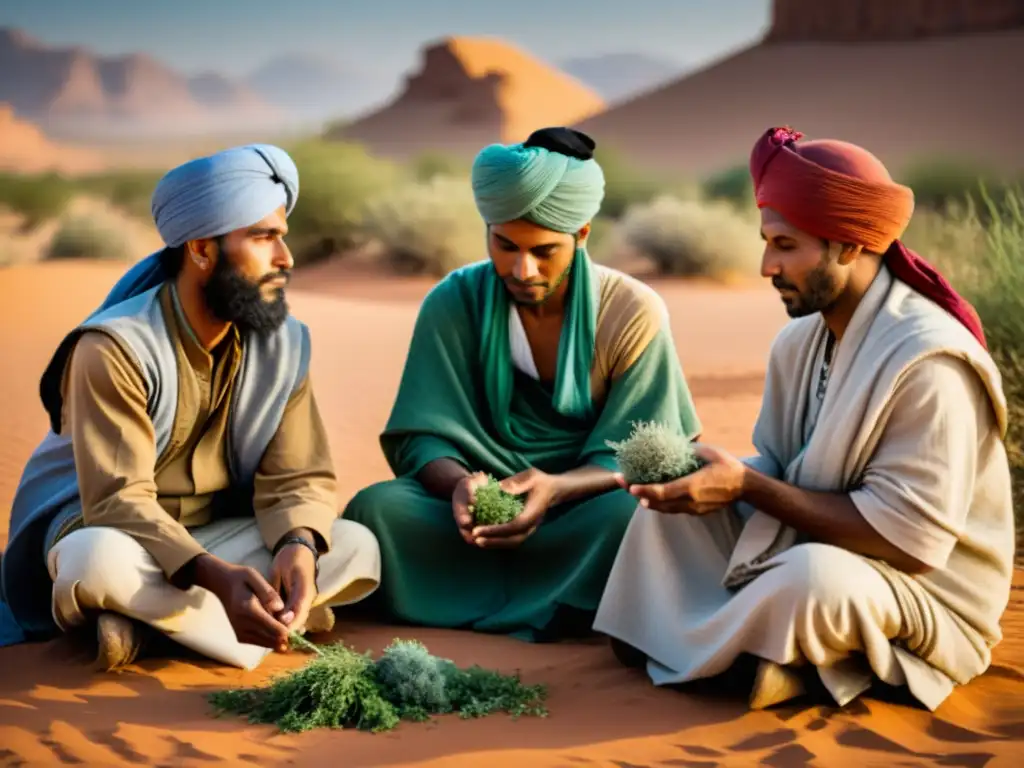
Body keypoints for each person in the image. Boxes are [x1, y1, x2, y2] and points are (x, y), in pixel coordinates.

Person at [593, 126, 1014, 712]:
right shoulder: (798, 343)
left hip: (920, 591)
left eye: (786, 246)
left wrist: (746, 486)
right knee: (664, 520)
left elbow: (913, 547)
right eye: (767, 243)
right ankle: (749, 654)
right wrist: (712, 480)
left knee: (814, 582)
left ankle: (715, 648)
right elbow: (779, 464)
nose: (767, 266)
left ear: (849, 245)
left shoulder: (929, 362)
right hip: (813, 540)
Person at [0, 144, 381, 671]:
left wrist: (297, 546)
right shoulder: (115, 347)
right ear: (202, 249)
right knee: (95, 565)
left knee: (355, 544)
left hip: (220, 534)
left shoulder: (285, 344)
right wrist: (213, 576)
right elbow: (118, 499)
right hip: (124, 535)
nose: (286, 259)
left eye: (282, 237)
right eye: (263, 237)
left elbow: (298, 476)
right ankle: (230, 621)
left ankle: (146, 630)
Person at [343, 127, 702, 641]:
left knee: (635, 518)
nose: (521, 268)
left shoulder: (629, 310)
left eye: (544, 251)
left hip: (584, 506)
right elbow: (424, 433)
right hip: (475, 515)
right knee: (376, 510)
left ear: (581, 235)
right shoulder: (454, 301)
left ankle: (517, 601)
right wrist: (461, 487)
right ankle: (559, 606)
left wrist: (556, 490)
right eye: (504, 244)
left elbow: (648, 452)